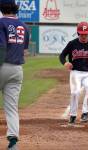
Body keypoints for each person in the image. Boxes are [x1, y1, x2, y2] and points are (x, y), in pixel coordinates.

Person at [0, 0, 29, 149]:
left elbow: (2, 47)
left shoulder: (1, 23)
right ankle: (12, 142)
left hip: (2, 65)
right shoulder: (23, 26)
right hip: (17, 70)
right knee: (11, 108)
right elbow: (25, 50)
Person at [59, 22, 88, 124]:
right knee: (75, 92)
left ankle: (85, 114)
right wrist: (65, 63)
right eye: (81, 34)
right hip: (75, 72)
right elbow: (62, 55)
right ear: (78, 33)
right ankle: (73, 115)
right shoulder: (72, 44)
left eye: (86, 34)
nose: (83, 36)